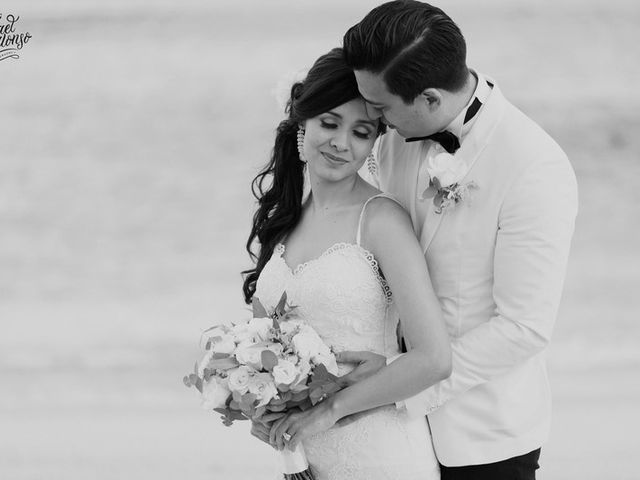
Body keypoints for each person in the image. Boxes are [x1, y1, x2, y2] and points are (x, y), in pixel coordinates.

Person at [303, 1, 575, 479]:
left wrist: (403, 379)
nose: (375, 118)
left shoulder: (534, 167)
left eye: (381, 108)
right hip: (384, 435)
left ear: (429, 99)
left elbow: (524, 328)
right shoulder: (394, 133)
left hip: (481, 439)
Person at [243, 47, 452, 479]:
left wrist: (328, 411)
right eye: (329, 123)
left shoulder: (381, 221)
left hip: (381, 454)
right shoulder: (286, 220)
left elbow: (433, 358)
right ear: (303, 125)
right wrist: (260, 401)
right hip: (307, 458)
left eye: (361, 132)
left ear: (374, 142)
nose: (341, 143)